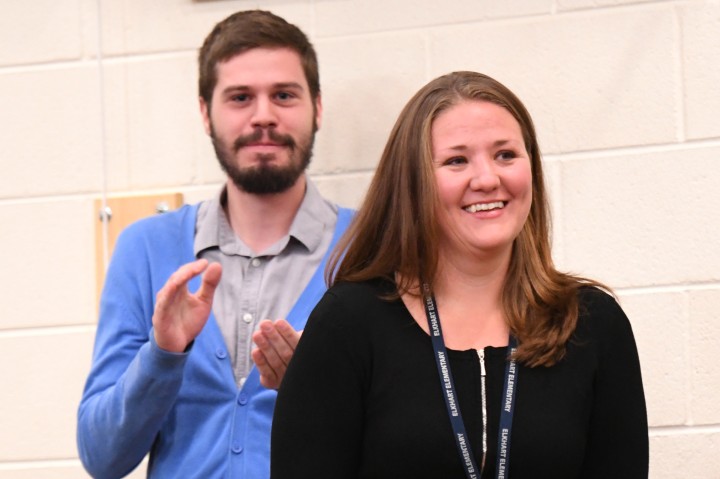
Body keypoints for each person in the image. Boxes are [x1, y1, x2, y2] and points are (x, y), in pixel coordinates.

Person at [271, 71, 648, 478]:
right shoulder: (348, 324)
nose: (487, 179)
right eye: (456, 161)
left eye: (506, 155)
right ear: (413, 182)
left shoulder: (591, 324)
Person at [77, 10, 353, 478]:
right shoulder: (145, 249)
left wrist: (316, 389)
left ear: (318, 108)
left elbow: (407, 443)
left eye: (284, 95)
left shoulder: (372, 249)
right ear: (206, 113)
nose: (263, 116)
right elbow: (102, 457)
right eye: (240, 98)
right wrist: (162, 355)